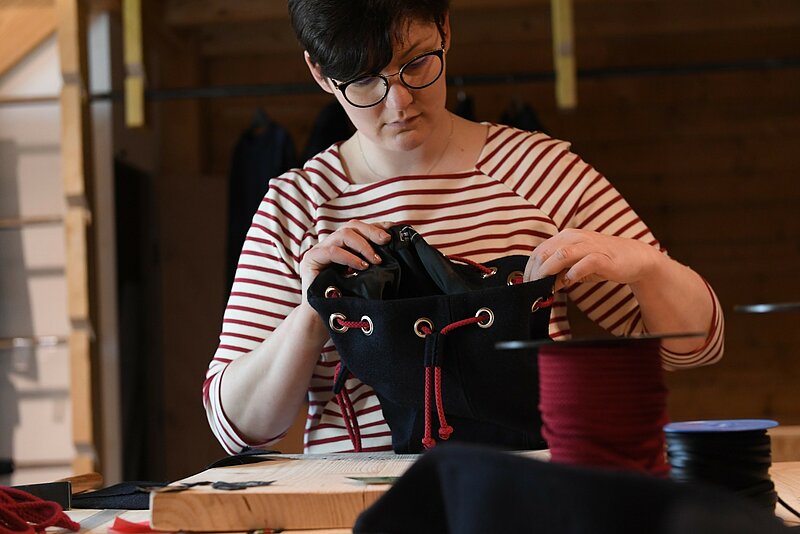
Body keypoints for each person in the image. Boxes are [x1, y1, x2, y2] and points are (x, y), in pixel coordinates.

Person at [203, 0, 724, 455]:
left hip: (530, 502)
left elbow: (697, 345)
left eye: (416, 64)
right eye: (363, 79)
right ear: (320, 73)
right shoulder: (297, 206)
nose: (398, 101)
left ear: (446, 31)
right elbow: (237, 426)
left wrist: (648, 268)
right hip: (357, 513)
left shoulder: (541, 172)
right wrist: (314, 311)